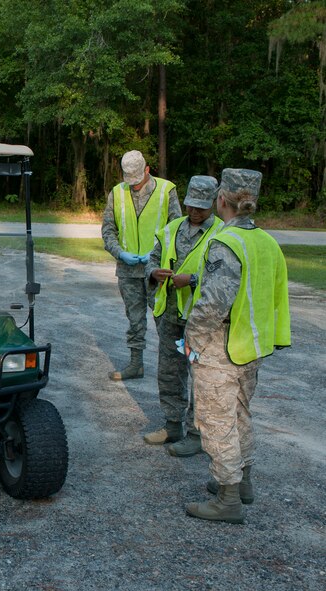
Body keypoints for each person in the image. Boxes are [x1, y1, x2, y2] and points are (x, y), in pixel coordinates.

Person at [183, 168, 291, 524]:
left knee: (216, 422)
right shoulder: (267, 241)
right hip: (251, 347)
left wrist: (192, 341)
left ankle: (228, 497)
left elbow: (214, 303)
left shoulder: (226, 243)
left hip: (220, 348)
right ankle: (243, 484)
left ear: (221, 201)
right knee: (241, 414)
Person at [143, 176, 222, 454]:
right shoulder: (172, 228)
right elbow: (153, 258)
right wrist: (153, 272)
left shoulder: (222, 234)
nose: (195, 211)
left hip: (201, 320)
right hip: (170, 315)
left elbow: (224, 277)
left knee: (200, 375)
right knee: (169, 372)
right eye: (191, 205)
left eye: (201, 206)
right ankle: (172, 424)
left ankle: (196, 434)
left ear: (213, 203)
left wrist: (192, 279)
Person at [101, 150, 181, 380]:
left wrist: (155, 254)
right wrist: (120, 253)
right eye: (130, 182)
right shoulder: (117, 193)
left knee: (165, 320)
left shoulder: (167, 190)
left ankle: (171, 369)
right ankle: (136, 364)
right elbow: (108, 230)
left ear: (147, 170)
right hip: (128, 270)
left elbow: (176, 231)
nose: (134, 186)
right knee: (135, 320)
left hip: (157, 270)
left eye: (137, 181)